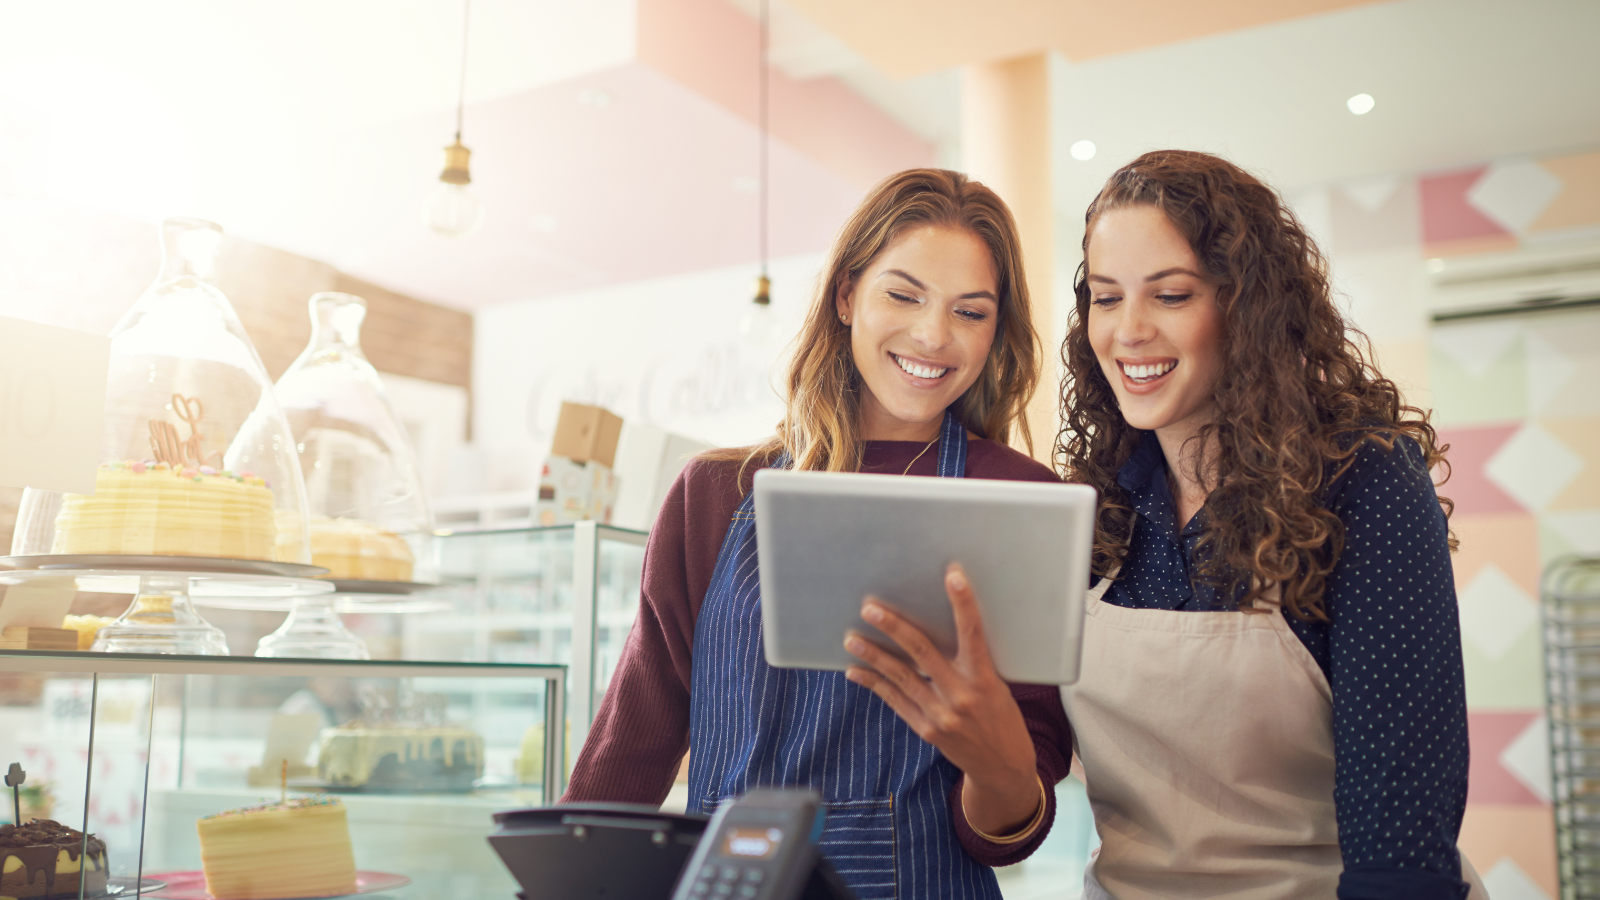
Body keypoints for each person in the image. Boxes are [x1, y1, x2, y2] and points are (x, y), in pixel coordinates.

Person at [849, 150, 1485, 899]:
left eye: (1172, 295)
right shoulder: (1090, 510)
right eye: (1107, 299)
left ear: (1246, 305)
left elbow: (1403, 850)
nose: (1129, 332)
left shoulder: (1361, 481)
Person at [562, 168, 1074, 900]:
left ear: (996, 331)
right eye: (903, 294)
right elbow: (637, 735)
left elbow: (1013, 826)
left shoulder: (1022, 500)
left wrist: (996, 764)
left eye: (971, 311)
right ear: (846, 297)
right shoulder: (713, 493)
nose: (934, 334)